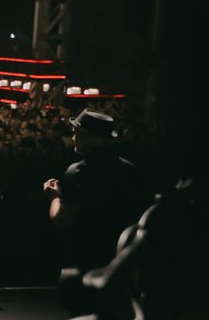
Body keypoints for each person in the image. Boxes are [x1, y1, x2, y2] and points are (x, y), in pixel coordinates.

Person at [43, 108, 150, 275]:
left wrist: (54, 197)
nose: (73, 138)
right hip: (119, 262)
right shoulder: (129, 170)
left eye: (76, 133)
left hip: (84, 261)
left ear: (88, 137)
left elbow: (62, 219)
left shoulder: (78, 172)